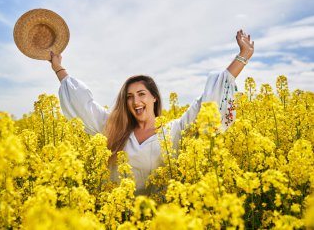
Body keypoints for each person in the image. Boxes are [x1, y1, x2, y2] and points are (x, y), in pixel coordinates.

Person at [48, 29, 254, 195]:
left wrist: (243, 56)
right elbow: (84, 106)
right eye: (129, 96)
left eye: (141, 94)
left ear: (154, 97)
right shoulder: (114, 129)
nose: (135, 101)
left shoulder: (175, 131)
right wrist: (58, 68)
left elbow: (208, 101)